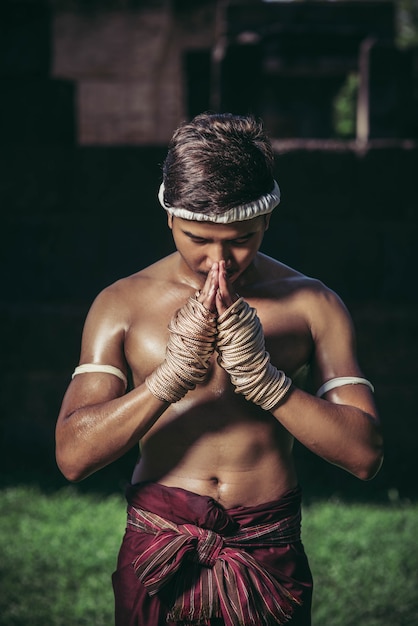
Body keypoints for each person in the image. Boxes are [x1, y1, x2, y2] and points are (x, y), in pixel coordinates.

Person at [55, 112, 383, 626]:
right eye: (197, 238)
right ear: (169, 218)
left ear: (267, 220)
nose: (219, 261)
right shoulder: (121, 304)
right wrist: (169, 378)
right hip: (160, 540)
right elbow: (73, 457)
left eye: (240, 238)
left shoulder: (312, 304)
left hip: (267, 543)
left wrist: (266, 381)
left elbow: (365, 457)